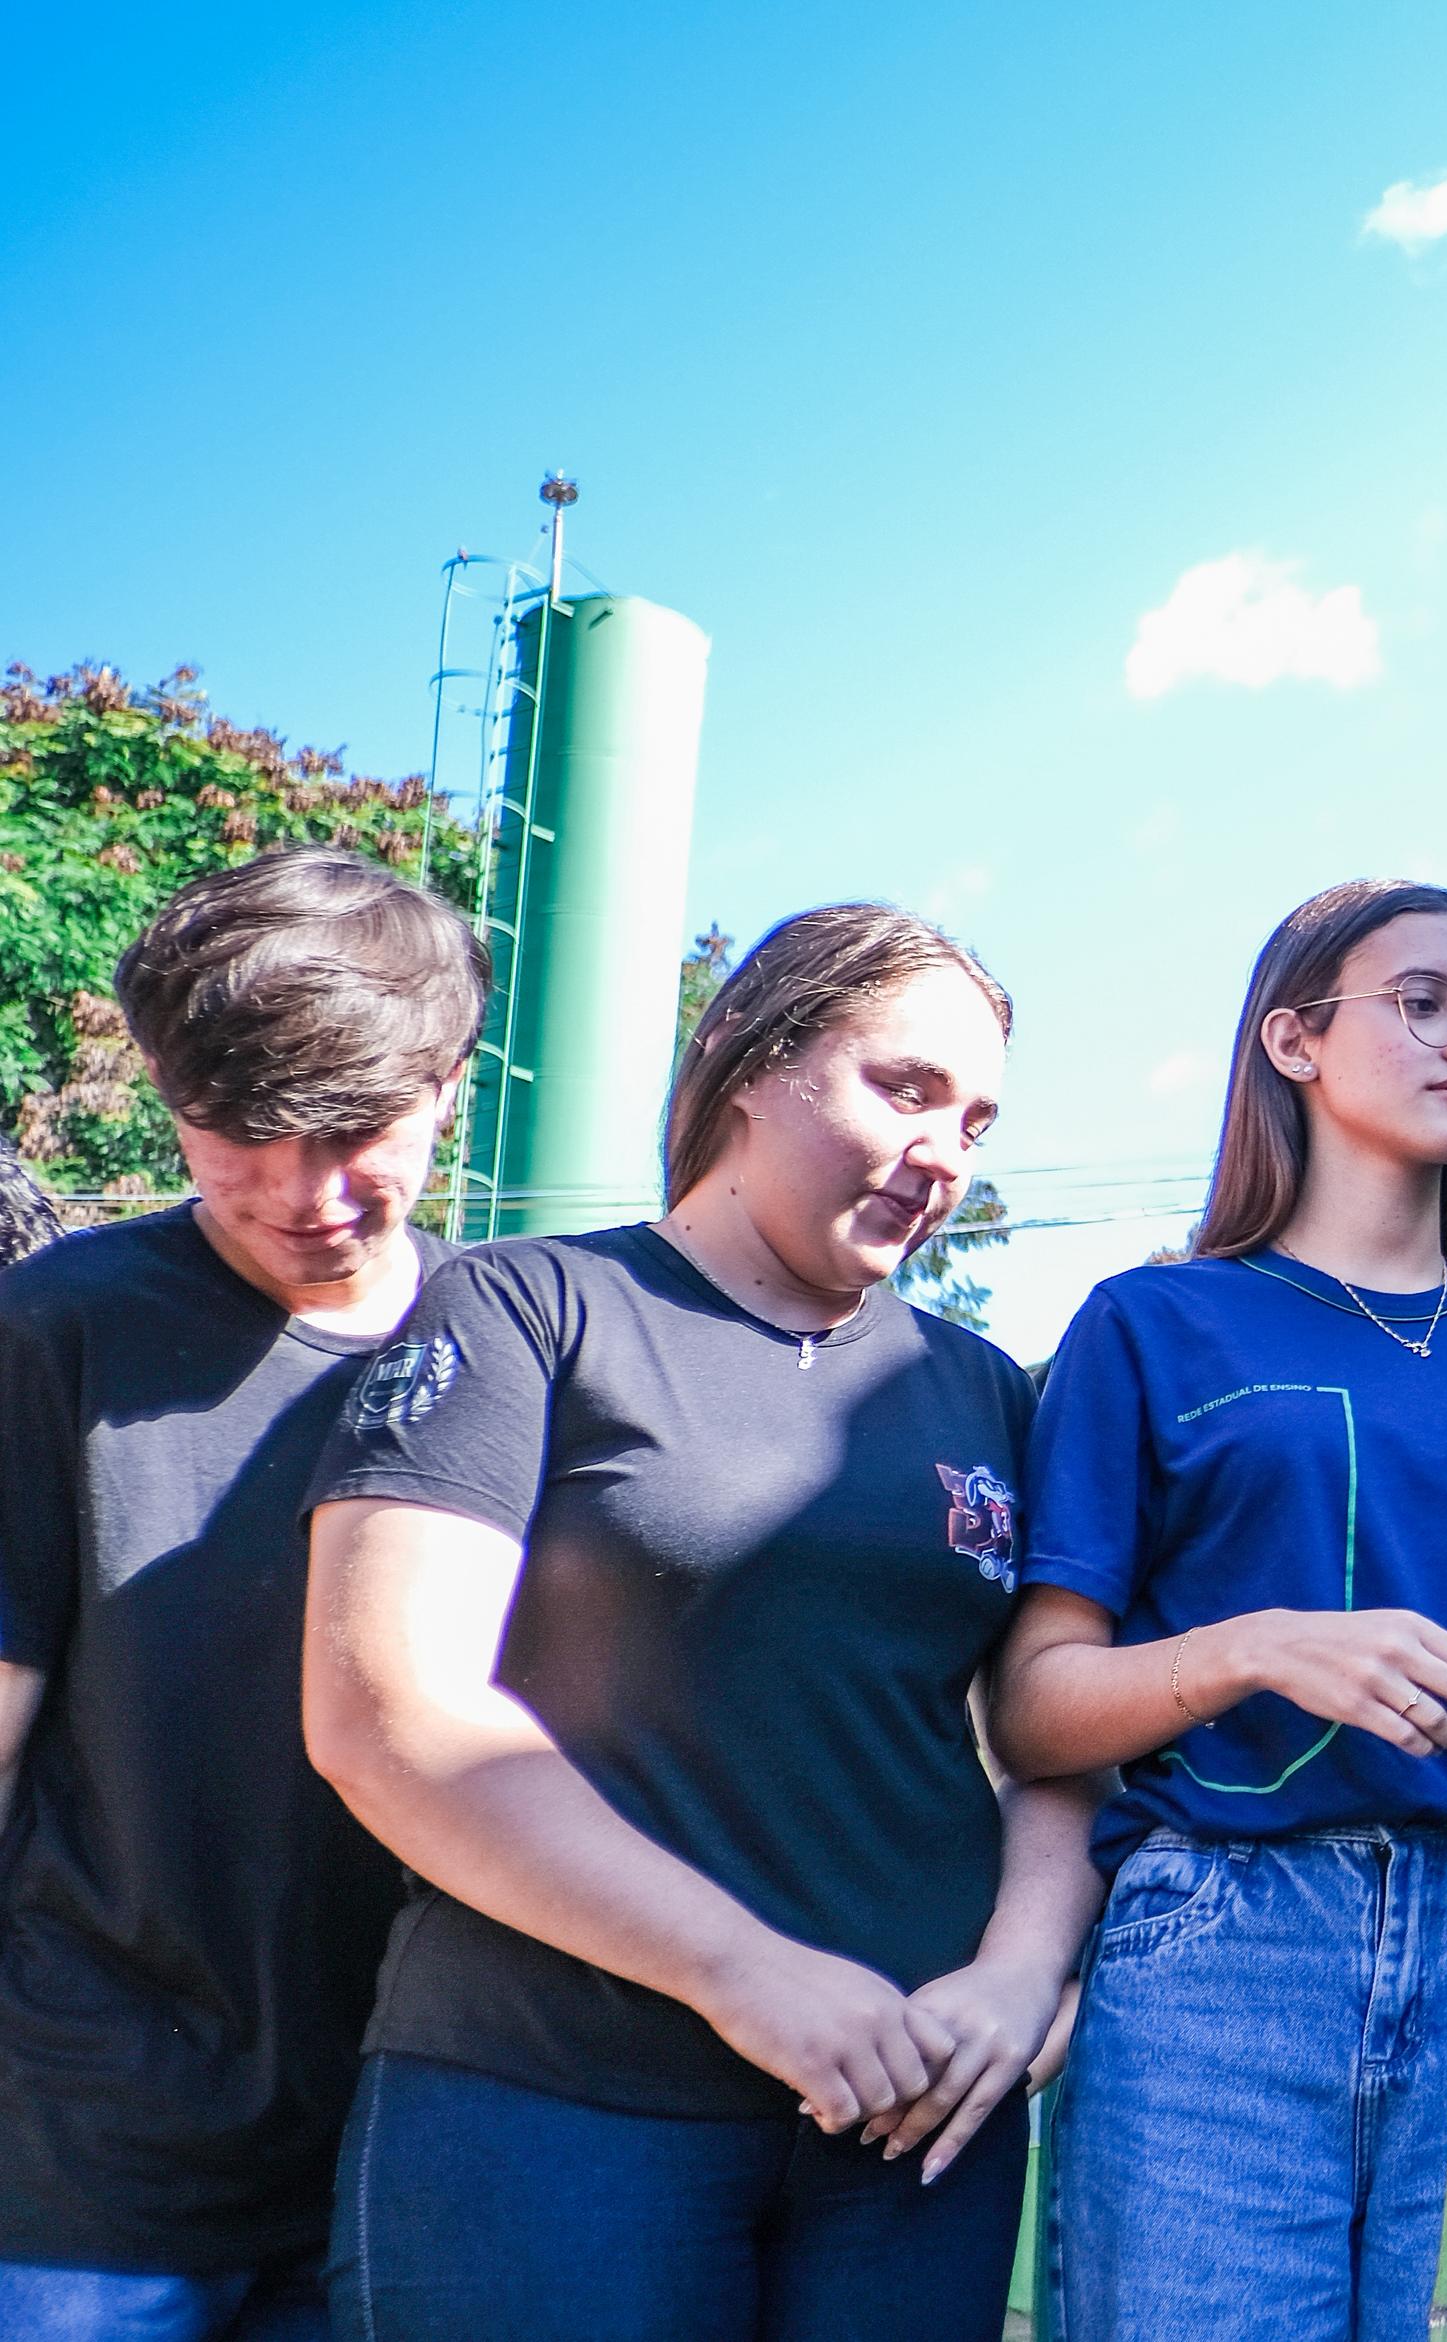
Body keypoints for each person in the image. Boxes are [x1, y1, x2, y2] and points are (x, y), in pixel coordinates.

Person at [303, 903, 1102, 2341]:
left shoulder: (993, 1392)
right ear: (748, 1056)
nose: (947, 1151)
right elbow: (386, 1709)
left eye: (977, 1118)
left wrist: (1024, 1969)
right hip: (551, 2107)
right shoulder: (525, 1307)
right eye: (904, 1086)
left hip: (911, 2140)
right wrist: (746, 1971)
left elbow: (1052, 1731)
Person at [993, 880, 1447, 2342]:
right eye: (1424, 1001)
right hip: (1221, 1947)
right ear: (1293, 1040)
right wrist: (1260, 1647)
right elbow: (1034, 1701)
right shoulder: (1150, 1323)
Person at [0, 849, 479, 2341]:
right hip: (93, 2164)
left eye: (359, 1132)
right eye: (239, 1134)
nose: (305, 1194)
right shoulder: (57, 1325)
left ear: (451, 1080)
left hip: (423, 2149)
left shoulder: (515, 1341)